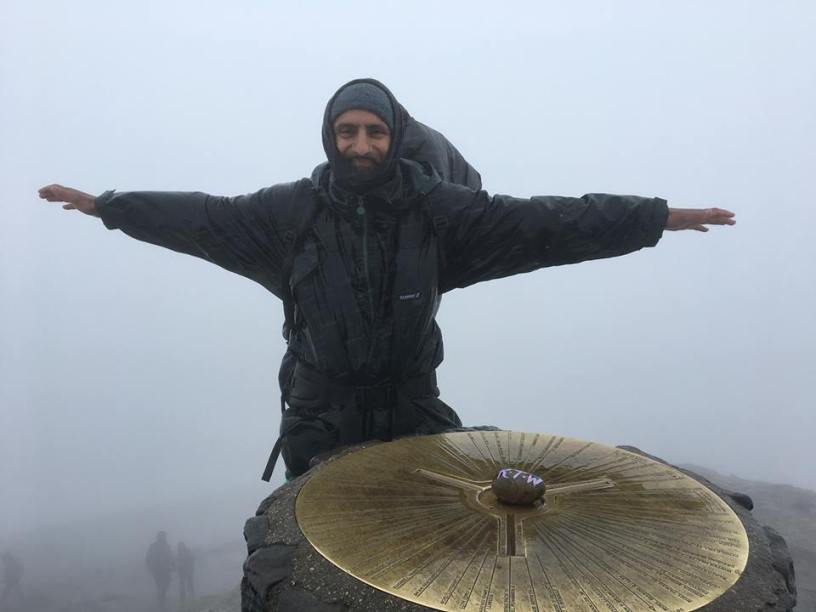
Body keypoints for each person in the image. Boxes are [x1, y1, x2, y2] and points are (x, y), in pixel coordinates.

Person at [38, 78, 735, 482]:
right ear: (330, 136)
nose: (361, 145)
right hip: (319, 419)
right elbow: (202, 218)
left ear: (395, 137)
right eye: (347, 132)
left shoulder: (441, 213)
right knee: (317, 552)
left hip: (413, 409)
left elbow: (546, 224)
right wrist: (111, 207)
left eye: (374, 132)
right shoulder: (288, 215)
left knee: (435, 550)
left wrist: (654, 218)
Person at [145, 531, 174, 611]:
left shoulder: (166, 546)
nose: (164, 538)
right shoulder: (154, 546)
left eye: (164, 536)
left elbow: (170, 556)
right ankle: (161, 600)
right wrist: (150, 566)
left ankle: (161, 598)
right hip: (158, 569)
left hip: (164, 569)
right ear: (159, 537)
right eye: (162, 536)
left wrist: (172, 564)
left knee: (165, 583)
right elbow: (148, 557)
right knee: (161, 584)